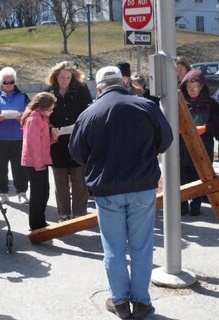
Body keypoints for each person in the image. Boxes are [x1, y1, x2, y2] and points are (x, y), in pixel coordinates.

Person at [69, 66, 173, 319]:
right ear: (123, 82)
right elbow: (166, 138)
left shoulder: (90, 112)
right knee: (142, 247)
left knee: (114, 248)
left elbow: (76, 151)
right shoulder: (145, 106)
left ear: (99, 88)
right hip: (142, 186)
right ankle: (141, 302)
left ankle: (119, 302)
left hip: (107, 188)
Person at [45, 61, 92, 222]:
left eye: (67, 77)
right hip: (57, 142)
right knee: (61, 181)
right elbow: (42, 114)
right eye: (62, 77)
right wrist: (50, 127)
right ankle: (63, 214)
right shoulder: (48, 92)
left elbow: (88, 112)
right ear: (55, 77)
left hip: (77, 140)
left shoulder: (81, 89)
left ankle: (79, 214)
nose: (64, 80)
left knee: (79, 179)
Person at [0, 66, 29, 204]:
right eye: (5, 82)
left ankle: (22, 191)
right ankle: (2, 192)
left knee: (20, 167)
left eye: (11, 82)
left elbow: (30, 109)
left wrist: (22, 116)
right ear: (0, 83)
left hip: (18, 138)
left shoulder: (22, 95)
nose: (9, 85)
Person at [179, 69, 219, 216]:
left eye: (195, 87)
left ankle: (196, 205)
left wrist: (206, 128)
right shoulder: (180, 102)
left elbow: (216, 124)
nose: (192, 91)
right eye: (189, 87)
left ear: (202, 87)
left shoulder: (211, 103)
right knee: (182, 177)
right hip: (182, 148)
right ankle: (182, 205)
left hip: (202, 146)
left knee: (199, 176)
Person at [21, 92, 59, 231]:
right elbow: (33, 144)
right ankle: (35, 224)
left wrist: (53, 138)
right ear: (43, 107)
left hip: (41, 160)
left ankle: (41, 221)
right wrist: (38, 165)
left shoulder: (42, 118)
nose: (52, 111)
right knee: (38, 193)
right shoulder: (34, 119)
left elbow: (42, 142)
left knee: (44, 192)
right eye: (50, 109)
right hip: (34, 162)